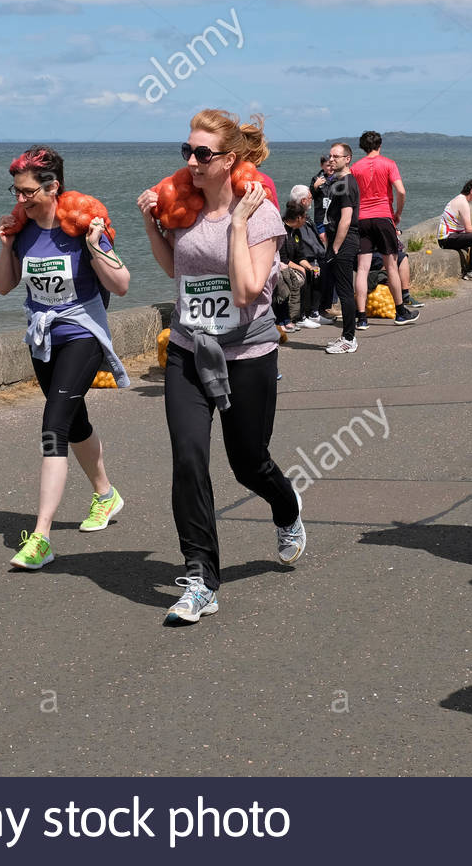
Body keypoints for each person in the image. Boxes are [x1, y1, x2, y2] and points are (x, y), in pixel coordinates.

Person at [136, 109, 304, 625]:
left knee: (248, 462)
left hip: (247, 353)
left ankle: (286, 507)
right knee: (188, 458)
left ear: (229, 160)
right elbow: (174, 270)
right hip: (189, 350)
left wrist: (234, 224)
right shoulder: (181, 207)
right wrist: (151, 222)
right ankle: (202, 577)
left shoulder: (261, 213)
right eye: (185, 151)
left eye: (202, 154)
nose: (190, 161)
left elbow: (249, 290)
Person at [0, 145, 130, 571]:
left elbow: (122, 285)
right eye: (15, 191)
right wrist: (5, 244)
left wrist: (95, 246)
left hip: (82, 334)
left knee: (53, 427)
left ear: (53, 187)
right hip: (43, 340)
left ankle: (42, 537)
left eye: (28, 192)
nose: (20, 200)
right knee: (74, 421)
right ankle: (106, 495)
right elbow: (2, 286)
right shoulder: (24, 231)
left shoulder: (83, 225)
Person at [351, 130, 418, 327]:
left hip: (362, 219)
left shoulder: (355, 168)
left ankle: (361, 318)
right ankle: (400, 312)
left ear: (363, 147)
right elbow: (401, 190)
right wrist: (398, 212)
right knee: (391, 266)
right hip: (383, 217)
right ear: (380, 145)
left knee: (362, 269)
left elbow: (352, 195)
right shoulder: (389, 164)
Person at [322, 141, 361, 353]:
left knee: (345, 291)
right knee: (342, 288)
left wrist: (335, 247)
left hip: (344, 242)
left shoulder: (346, 184)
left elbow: (346, 218)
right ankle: (345, 336)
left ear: (347, 159)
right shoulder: (342, 181)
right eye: (330, 156)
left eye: (336, 156)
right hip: (339, 241)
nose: (331, 159)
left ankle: (349, 339)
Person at [274, 198, 323, 330]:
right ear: (298, 218)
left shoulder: (296, 232)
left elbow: (300, 255)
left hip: (291, 266)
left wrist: (309, 267)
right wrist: (300, 268)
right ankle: (282, 319)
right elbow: (283, 258)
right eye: (304, 218)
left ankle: (303, 315)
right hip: (280, 266)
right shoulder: (282, 230)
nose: (305, 220)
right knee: (284, 282)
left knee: (311, 273)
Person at [438, 179, 472, 280]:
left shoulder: (460, 200)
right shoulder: (462, 202)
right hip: (446, 239)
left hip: (450, 237)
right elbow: (469, 229)